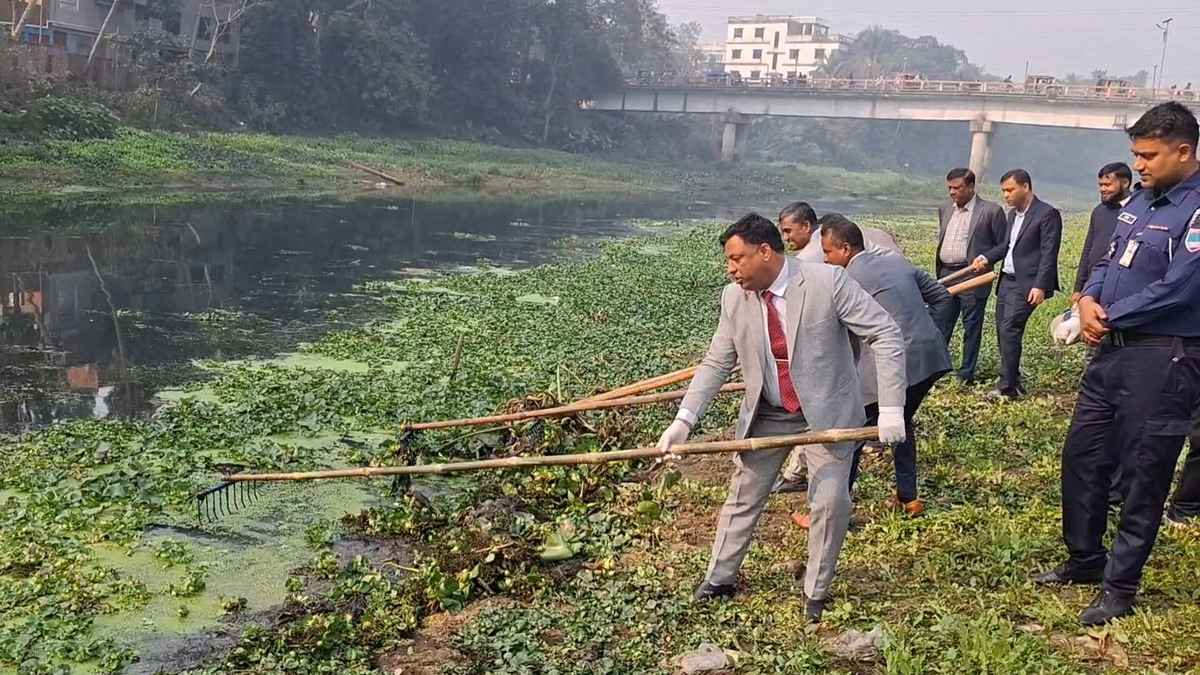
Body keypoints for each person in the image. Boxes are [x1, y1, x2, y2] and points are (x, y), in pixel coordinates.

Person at [656, 213, 906, 622]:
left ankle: (815, 592)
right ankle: (720, 577)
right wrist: (684, 419)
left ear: (765, 252)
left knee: (829, 501)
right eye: (728, 261)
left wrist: (892, 407)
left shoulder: (827, 283)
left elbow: (885, 333)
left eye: (737, 259)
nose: (731, 269)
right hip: (771, 410)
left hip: (826, 413)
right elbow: (717, 361)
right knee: (743, 494)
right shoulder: (734, 298)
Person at [1035, 101, 1200, 626]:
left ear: (1184, 150)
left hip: (1165, 356)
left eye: (1149, 155)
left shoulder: (1196, 210)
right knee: (1082, 457)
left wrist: (1107, 316)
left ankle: (1120, 586)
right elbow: (1108, 259)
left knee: (1144, 471)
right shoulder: (1141, 204)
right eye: (1136, 155)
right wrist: (1086, 302)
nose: (1141, 165)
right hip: (1111, 352)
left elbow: (1181, 286)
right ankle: (1085, 558)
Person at [790, 215, 950, 527]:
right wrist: (932, 337)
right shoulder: (897, 262)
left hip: (891, 368)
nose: (825, 259)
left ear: (846, 249)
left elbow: (829, 334)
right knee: (901, 421)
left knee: (850, 433)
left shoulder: (846, 280)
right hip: (930, 361)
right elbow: (942, 298)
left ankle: (830, 514)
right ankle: (909, 498)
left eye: (828, 253)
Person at [773, 202, 901, 494]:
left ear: (808, 228)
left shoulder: (813, 262)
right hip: (843, 342)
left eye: (789, 231)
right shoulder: (826, 245)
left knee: (819, 413)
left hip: (834, 348)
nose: (787, 239)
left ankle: (805, 476)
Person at [970, 169, 1062, 399]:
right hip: (1007, 281)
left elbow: (1049, 252)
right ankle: (1013, 381)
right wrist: (987, 257)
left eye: (1010, 190)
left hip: (1027, 283)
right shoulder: (1012, 215)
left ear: (1026, 187)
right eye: (1003, 191)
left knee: (1010, 328)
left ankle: (1006, 387)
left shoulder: (1046, 214)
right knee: (1003, 331)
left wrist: (1040, 285)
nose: (1006, 195)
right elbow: (1007, 246)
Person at [934, 168, 1008, 383]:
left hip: (974, 276)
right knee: (941, 325)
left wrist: (986, 257)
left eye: (957, 188)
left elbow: (1004, 245)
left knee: (971, 326)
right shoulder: (945, 209)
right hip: (947, 274)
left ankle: (966, 374)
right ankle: (936, 371)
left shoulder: (991, 211)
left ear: (971, 187)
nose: (952, 192)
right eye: (949, 187)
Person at [1071, 163, 1134, 305]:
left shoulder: (1139, 210)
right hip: (1092, 286)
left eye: (1107, 185)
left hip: (1120, 289)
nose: (1102, 189)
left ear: (1125, 183)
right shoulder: (1099, 211)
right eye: (1100, 185)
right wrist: (1078, 288)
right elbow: (1088, 250)